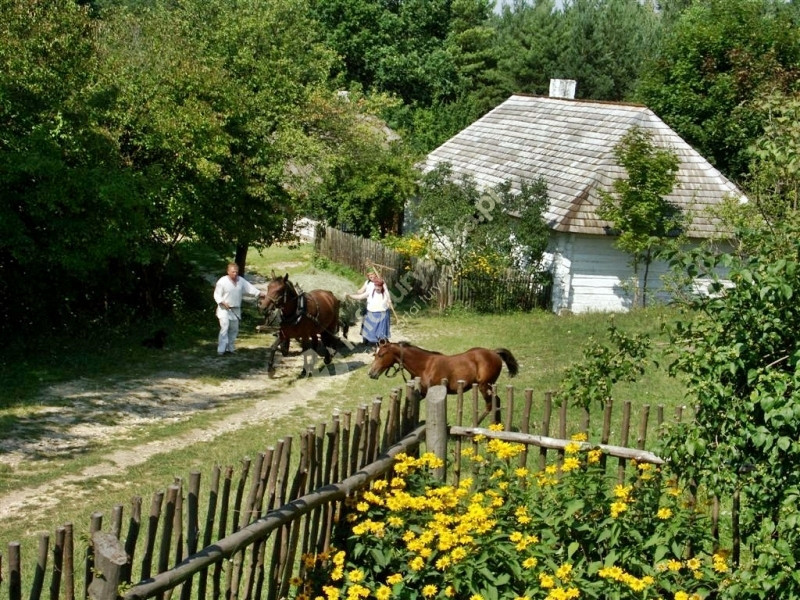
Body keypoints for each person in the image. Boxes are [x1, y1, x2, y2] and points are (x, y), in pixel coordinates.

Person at [214, 262, 264, 356]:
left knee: (234, 329)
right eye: (233, 272)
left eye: (236, 272)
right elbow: (216, 294)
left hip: (235, 309)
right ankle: (221, 350)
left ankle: (231, 348)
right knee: (225, 328)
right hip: (224, 308)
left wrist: (260, 294)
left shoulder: (240, 281)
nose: (235, 274)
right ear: (228, 271)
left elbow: (250, 288)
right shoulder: (222, 281)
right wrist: (222, 302)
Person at [347, 271, 393, 347]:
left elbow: (388, 300)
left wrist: (389, 302)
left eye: (379, 286)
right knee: (370, 330)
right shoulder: (370, 290)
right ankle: (369, 342)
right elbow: (360, 296)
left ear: (382, 286)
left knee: (381, 332)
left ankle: (382, 345)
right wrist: (350, 295)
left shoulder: (385, 293)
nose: (377, 288)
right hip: (371, 313)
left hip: (382, 314)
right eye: (376, 286)